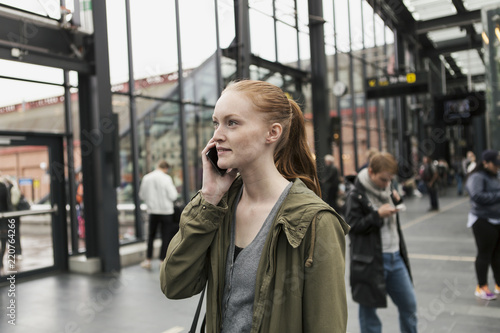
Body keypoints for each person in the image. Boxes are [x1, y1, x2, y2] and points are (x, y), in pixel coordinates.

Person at [160, 80, 350, 332]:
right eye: (216, 123)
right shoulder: (218, 207)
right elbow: (174, 284)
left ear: (272, 133)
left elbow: (327, 325)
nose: (217, 135)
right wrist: (209, 198)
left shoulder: (316, 222)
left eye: (232, 122)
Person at [345, 152, 417, 333]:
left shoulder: (388, 188)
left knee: (409, 305)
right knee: (369, 312)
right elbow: (352, 226)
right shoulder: (356, 194)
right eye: (383, 179)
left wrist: (396, 201)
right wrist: (377, 215)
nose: (387, 184)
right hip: (370, 260)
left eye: (390, 179)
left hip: (396, 256)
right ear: (371, 172)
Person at [465, 149, 500, 300]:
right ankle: (482, 286)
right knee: (484, 254)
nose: (497, 167)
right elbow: (477, 196)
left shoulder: (495, 175)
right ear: (486, 163)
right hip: (482, 220)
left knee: (498, 255)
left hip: (497, 219)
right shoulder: (477, 176)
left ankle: (498, 284)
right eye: (495, 164)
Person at [139, 160, 178, 269]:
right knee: (165, 236)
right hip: (166, 212)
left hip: (153, 211)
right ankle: (162, 261)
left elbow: (142, 195)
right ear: (166, 168)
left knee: (151, 236)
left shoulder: (147, 178)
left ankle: (148, 260)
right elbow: (173, 196)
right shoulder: (167, 178)